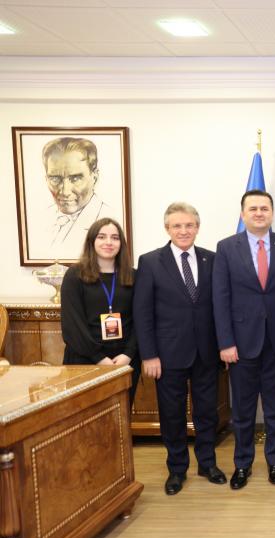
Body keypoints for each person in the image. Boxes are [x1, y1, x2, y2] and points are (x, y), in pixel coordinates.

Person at [133, 202, 225, 496]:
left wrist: (223, 346)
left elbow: (220, 306)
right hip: (167, 354)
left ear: (197, 227)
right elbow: (142, 313)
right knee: (172, 414)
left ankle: (207, 464)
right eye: (177, 226)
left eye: (189, 225)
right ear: (167, 229)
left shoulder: (212, 259)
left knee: (207, 413)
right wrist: (149, 354)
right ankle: (176, 469)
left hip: (206, 352)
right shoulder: (150, 262)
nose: (183, 231)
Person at [212, 190, 275, 490]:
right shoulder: (226, 248)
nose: (259, 213)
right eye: (253, 208)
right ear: (243, 214)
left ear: (272, 213)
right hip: (241, 344)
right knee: (243, 411)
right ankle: (242, 464)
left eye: (264, 208)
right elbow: (220, 298)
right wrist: (225, 342)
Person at [60, 218, 139, 393]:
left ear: (121, 243)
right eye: (102, 237)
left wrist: (128, 354)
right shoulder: (75, 275)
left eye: (115, 238)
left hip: (124, 360)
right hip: (84, 359)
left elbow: (141, 319)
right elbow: (73, 325)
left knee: (121, 410)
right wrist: (99, 357)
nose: (109, 242)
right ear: (92, 241)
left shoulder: (134, 276)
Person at [41, 137, 115, 258]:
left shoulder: (110, 217)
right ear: (46, 179)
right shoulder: (41, 217)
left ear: (94, 177)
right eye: (55, 178)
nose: (65, 191)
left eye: (75, 178)